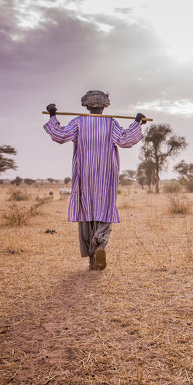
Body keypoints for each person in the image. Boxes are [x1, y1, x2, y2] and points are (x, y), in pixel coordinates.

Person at [43, 90, 147, 270]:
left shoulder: (78, 122)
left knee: (87, 214)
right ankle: (100, 245)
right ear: (104, 107)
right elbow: (126, 140)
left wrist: (53, 115)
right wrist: (137, 122)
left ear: (86, 105)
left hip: (84, 176)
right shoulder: (111, 123)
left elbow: (59, 135)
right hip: (106, 176)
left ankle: (93, 259)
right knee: (105, 211)